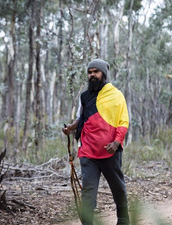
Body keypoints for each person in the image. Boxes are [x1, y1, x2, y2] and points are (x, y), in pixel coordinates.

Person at [62, 59, 130, 225]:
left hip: (110, 151)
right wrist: (71, 128)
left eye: (95, 72)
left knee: (117, 187)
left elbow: (123, 121)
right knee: (88, 191)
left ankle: (123, 219)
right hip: (88, 151)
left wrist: (116, 142)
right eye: (89, 72)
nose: (92, 75)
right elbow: (82, 117)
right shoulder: (84, 96)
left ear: (103, 75)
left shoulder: (116, 95)